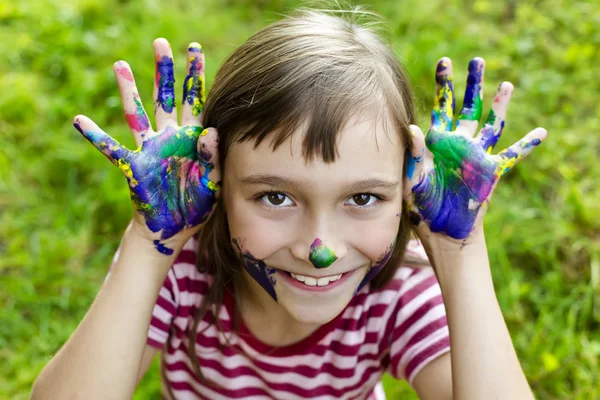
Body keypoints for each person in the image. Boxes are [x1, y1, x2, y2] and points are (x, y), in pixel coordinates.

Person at [31, 8, 547, 400]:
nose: (318, 249)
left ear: (406, 189)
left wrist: (460, 253)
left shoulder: (396, 294)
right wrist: (148, 245)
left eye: (363, 197)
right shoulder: (180, 269)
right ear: (216, 180)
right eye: (275, 196)